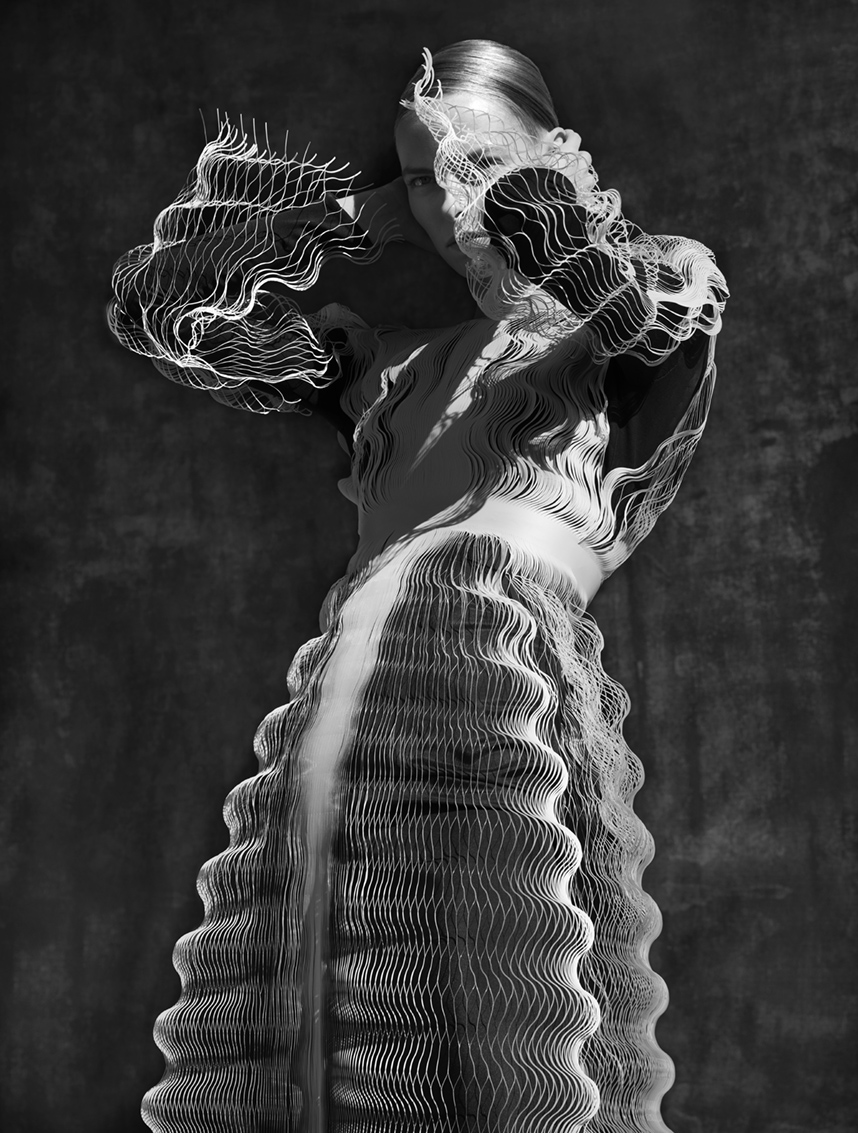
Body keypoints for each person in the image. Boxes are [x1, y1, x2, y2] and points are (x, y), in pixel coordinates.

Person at [108, 38, 728, 1133]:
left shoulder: (640, 309)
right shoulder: (396, 367)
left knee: (515, 1000)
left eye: (474, 161)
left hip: (505, 679)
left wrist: (505, 190)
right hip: (350, 694)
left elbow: (623, 303)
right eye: (421, 180)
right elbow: (178, 319)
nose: (451, 203)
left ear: (557, 151)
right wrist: (342, 217)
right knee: (333, 1004)